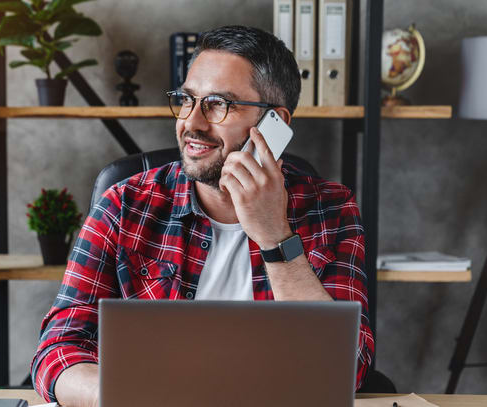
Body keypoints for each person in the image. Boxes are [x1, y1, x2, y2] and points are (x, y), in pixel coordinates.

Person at [31, 25, 374, 407]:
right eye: (187, 100)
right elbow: (58, 349)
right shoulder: (124, 205)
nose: (191, 123)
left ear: (274, 123)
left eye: (217, 105)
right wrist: (125, 398)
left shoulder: (331, 209)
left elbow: (347, 368)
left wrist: (275, 237)